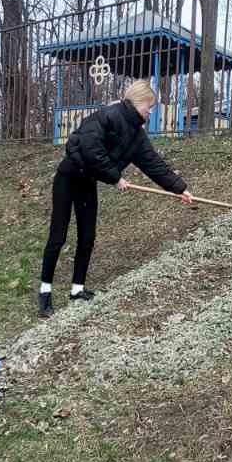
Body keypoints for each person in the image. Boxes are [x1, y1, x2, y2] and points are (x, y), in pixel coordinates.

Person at [38, 78, 194, 317]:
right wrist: (115, 177)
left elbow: (154, 164)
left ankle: (77, 290)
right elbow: (90, 147)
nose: (150, 111)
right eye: (149, 106)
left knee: (87, 236)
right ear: (139, 101)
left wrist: (179, 188)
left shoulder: (137, 136)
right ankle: (45, 292)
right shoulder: (109, 115)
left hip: (87, 181)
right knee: (58, 236)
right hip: (68, 176)